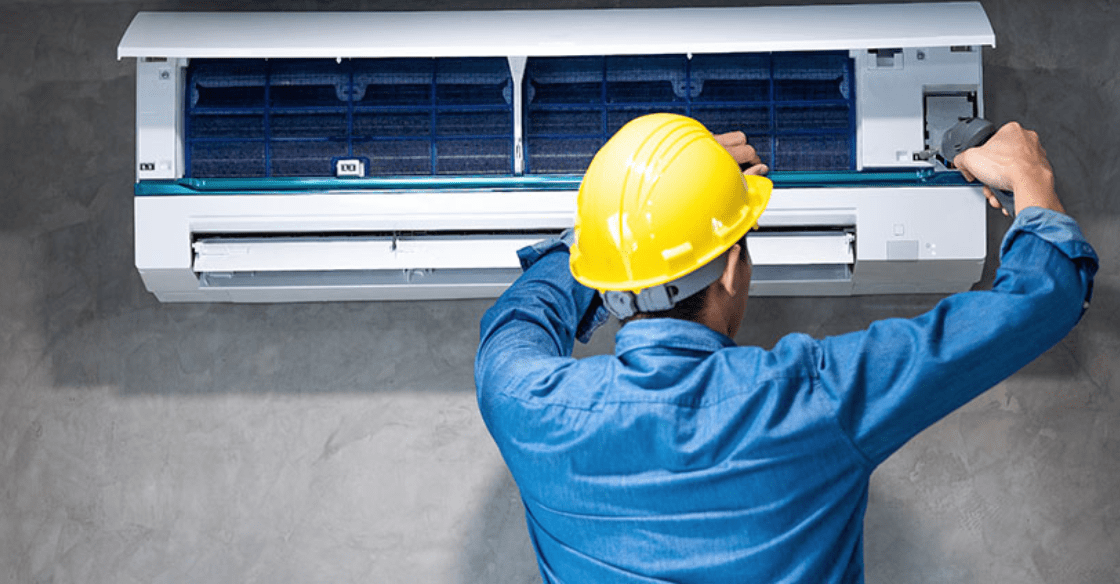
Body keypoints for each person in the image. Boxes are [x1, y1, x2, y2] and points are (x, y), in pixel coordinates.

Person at [475, 113, 1097, 583]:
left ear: (605, 277)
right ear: (731, 270)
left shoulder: (523, 402)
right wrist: (1029, 174)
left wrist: (641, 209)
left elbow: (523, 311)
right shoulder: (815, 398)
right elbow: (1042, 298)